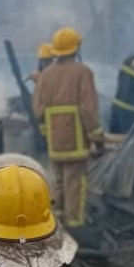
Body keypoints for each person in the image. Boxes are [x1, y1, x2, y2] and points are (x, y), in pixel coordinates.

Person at [32, 27, 104, 229]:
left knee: (58, 183)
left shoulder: (45, 75)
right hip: (77, 140)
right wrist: (97, 137)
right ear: (76, 49)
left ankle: (57, 223)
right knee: (75, 185)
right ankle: (75, 228)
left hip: (55, 141)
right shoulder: (83, 72)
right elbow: (88, 109)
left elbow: (38, 110)